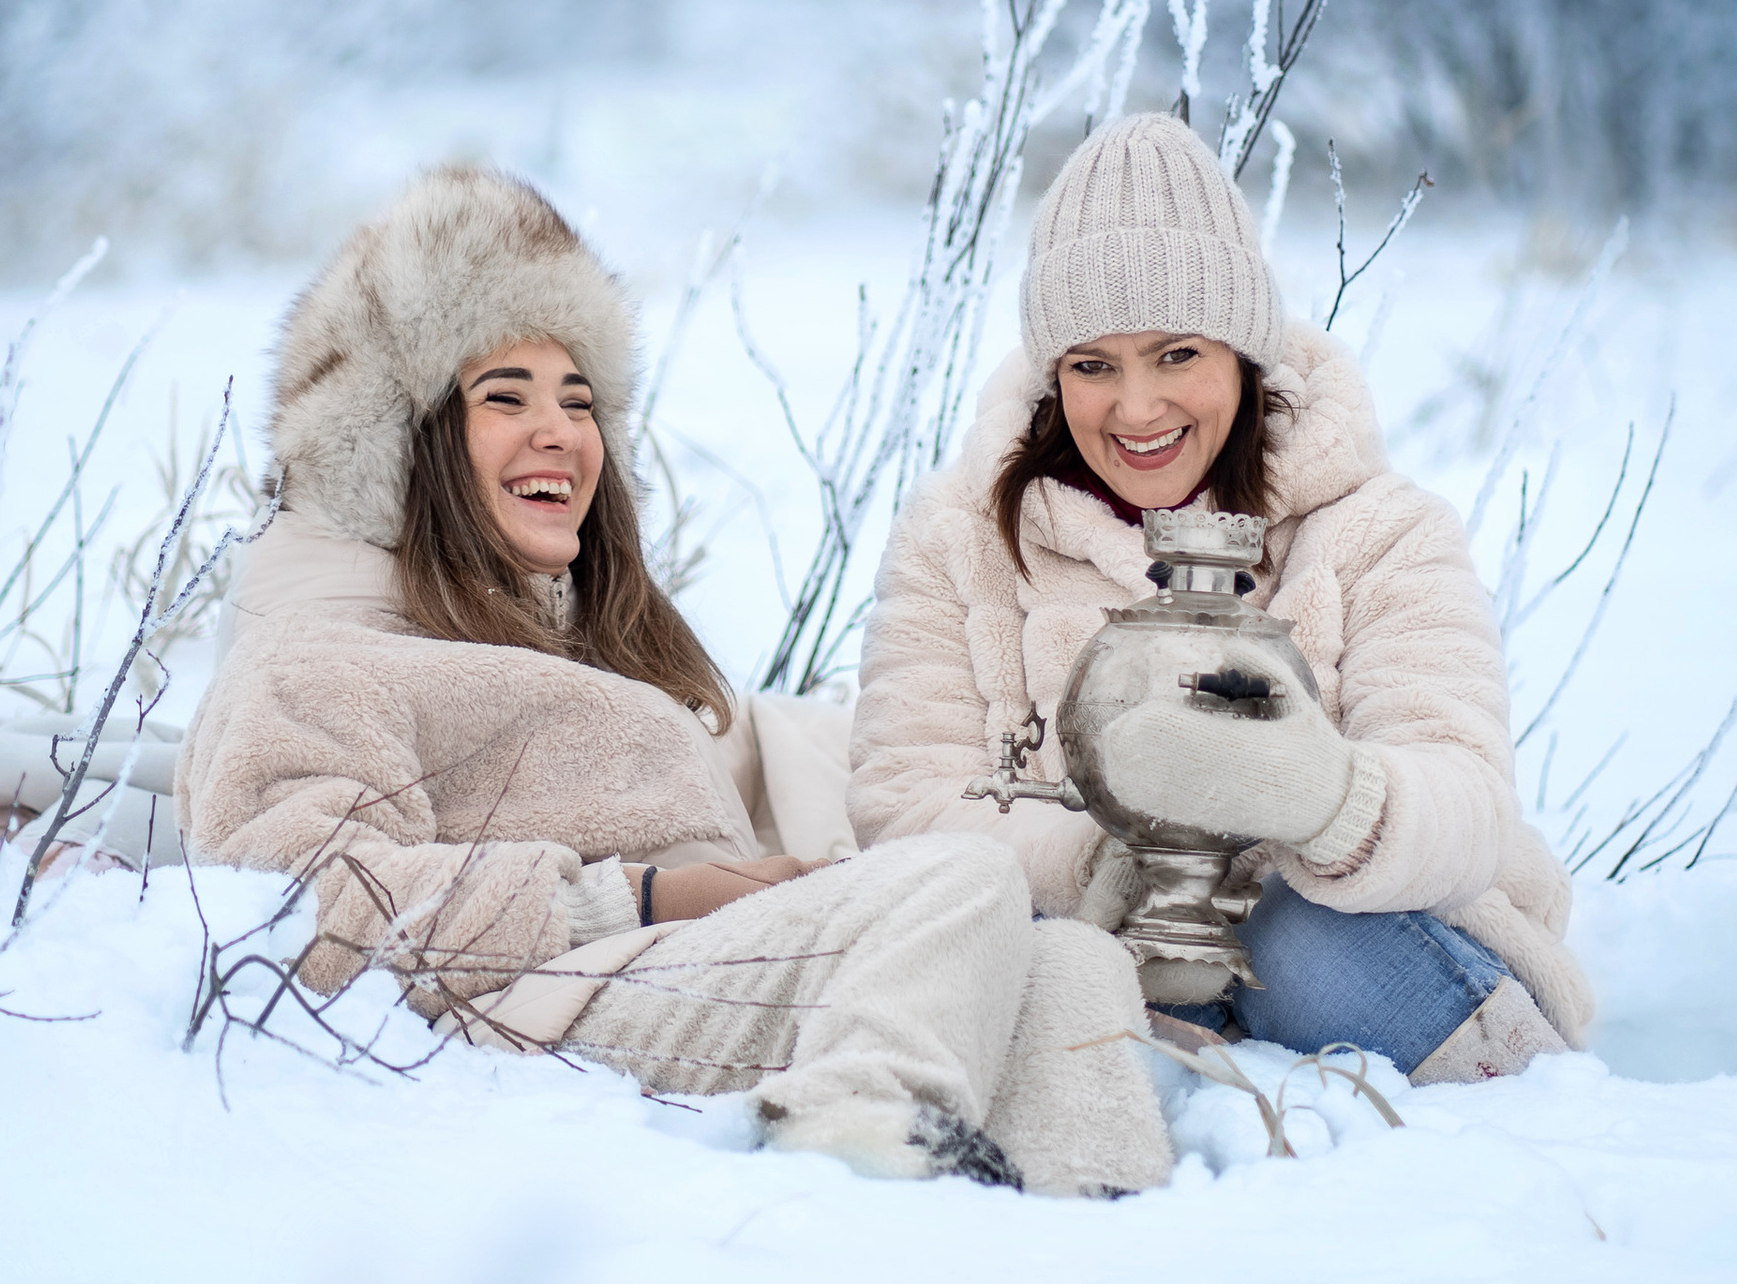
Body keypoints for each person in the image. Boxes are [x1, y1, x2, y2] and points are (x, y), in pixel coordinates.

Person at [178, 163, 1173, 1193]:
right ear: (403, 443)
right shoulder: (316, 649)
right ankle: (854, 1136)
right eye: (503, 395)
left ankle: (1088, 1226)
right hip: (551, 1002)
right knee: (961, 881)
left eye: (579, 399)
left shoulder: (550, 636)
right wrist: (643, 898)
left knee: (1068, 960)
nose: (560, 428)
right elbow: (287, 899)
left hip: (700, 965)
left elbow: (768, 749)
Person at [849, 113, 1594, 1083]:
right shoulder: (959, 535)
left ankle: (1506, 1117)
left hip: (1362, 954)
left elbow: (1469, 798)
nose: (1137, 407)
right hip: (1100, 960)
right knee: (1046, 961)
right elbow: (904, 801)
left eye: (1176, 354)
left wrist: (1327, 797)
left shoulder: (1383, 529)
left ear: (1242, 352)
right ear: (1051, 372)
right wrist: (1092, 864)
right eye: (1091, 364)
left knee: (1299, 942)